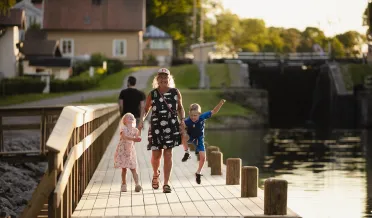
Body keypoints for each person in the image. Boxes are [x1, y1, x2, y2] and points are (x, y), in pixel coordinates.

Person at [138, 68, 185, 193]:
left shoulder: (175, 92)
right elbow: (146, 108)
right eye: (161, 77)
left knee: (168, 154)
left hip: (171, 126)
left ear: (169, 79)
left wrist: (183, 120)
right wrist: (142, 121)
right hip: (156, 127)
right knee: (155, 156)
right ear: (157, 79)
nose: (163, 79)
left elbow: (180, 108)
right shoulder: (152, 94)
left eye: (166, 77)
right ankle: (155, 173)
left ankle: (166, 183)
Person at [181, 100, 226, 184]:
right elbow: (181, 128)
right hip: (190, 137)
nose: (193, 117)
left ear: (199, 114)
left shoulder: (202, 117)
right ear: (189, 114)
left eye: (195, 115)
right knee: (183, 136)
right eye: (191, 115)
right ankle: (187, 152)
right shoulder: (187, 121)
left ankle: (198, 172)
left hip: (199, 139)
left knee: (203, 157)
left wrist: (220, 103)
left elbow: (214, 111)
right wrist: (183, 127)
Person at [114, 113, 142, 192]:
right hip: (123, 150)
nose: (131, 118)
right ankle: (124, 184)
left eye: (132, 117)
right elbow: (124, 137)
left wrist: (139, 130)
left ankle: (137, 184)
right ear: (124, 121)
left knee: (133, 168)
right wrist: (134, 139)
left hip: (130, 151)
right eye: (129, 117)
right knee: (124, 169)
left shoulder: (134, 129)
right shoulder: (124, 128)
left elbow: (138, 137)